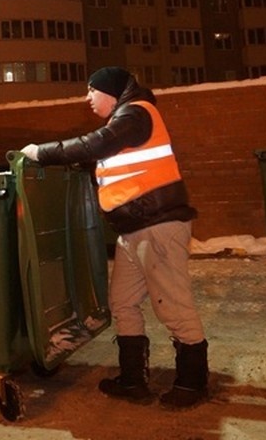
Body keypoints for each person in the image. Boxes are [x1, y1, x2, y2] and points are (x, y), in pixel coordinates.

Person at [20, 66, 208, 409]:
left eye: (92, 90)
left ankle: (193, 383)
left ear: (110, 92)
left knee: (174, 306)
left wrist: (41, 153)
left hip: (158, 226)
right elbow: (107, 157)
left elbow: (95, 144)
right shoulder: (124, 120)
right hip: (133, 230)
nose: (87, 97)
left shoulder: (136, 113)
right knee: (122, 302)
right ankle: (133, 380)